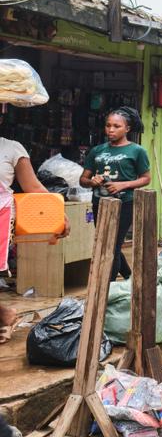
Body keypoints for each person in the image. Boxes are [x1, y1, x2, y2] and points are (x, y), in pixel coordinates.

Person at [0, 134, 70, 344]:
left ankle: (5, 316)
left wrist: (58, 215)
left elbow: (34, 187)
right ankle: (5, 315)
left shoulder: (12, 148)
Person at [80, 107, 151, 282]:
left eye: (116, 126)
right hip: (100, 203)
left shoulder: (137, 151)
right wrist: (91, 182)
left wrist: (123, 185)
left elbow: (146, 179)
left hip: (125, 203)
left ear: (127, 129)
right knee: (108, 243)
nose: (111, 130)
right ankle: (129, 276)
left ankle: (107, 288)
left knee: (111, 246)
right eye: (108, 125)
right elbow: (83, 179)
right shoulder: (97, 150)